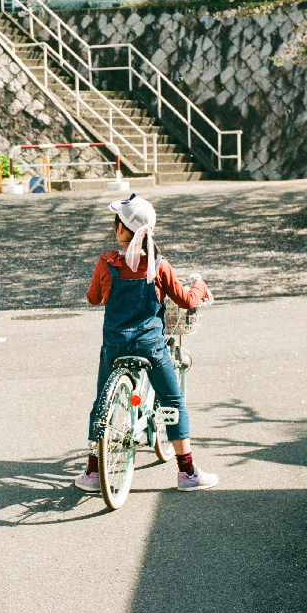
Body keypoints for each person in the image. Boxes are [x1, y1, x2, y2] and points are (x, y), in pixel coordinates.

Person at [75, 193, 218, 493]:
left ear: (121, 229)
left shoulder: (106, 262)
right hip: (150, 346)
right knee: (173, 401)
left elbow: (92, 298)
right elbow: (185, 300)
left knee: (101, 403)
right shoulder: (159, 265)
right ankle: (187, 472)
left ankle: (92, 471)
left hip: (114, 345)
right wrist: (200, 285)